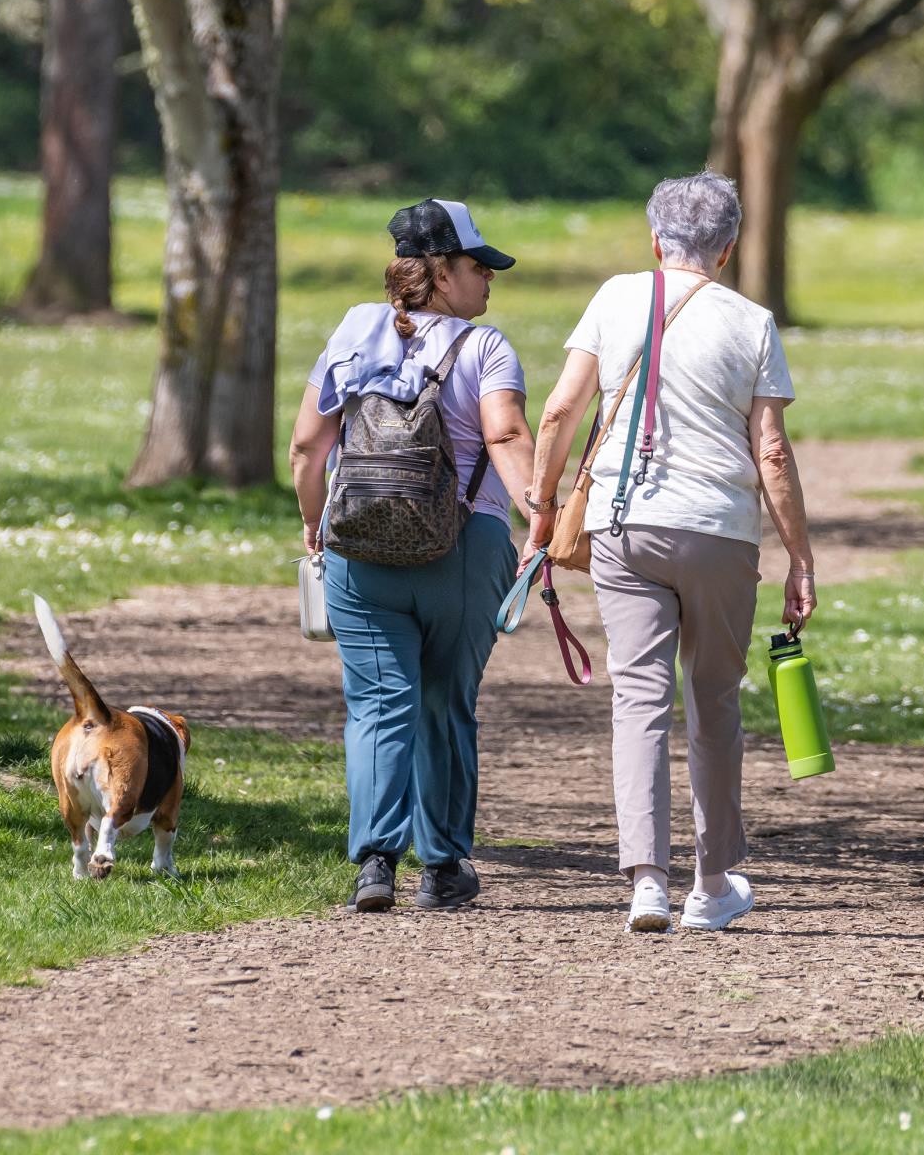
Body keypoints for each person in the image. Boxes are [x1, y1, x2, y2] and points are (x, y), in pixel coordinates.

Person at [520, 171, 816, 933]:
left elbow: (558, 411)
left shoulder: (616, 297)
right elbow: (773, 454)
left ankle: (646, 880)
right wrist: (801, 560)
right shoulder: (752, 322)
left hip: (622, 524)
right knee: (712, 701)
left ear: (656, 240)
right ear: (728, 249)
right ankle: (711, 884)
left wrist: (543, 508)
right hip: (718, 532)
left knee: (638, 699)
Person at [289, 198, 541, 914]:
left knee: (376, 705)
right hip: (466, 548)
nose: (490, 281)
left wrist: (315, 524)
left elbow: (308, 446)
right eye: (478, 266)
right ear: (441, 271)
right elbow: (506, 436)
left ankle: (375, 864)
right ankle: (442, 867)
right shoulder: (485, 347)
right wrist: (542, 519)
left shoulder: (351, 331)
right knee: (445, 704)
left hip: (359, 551)